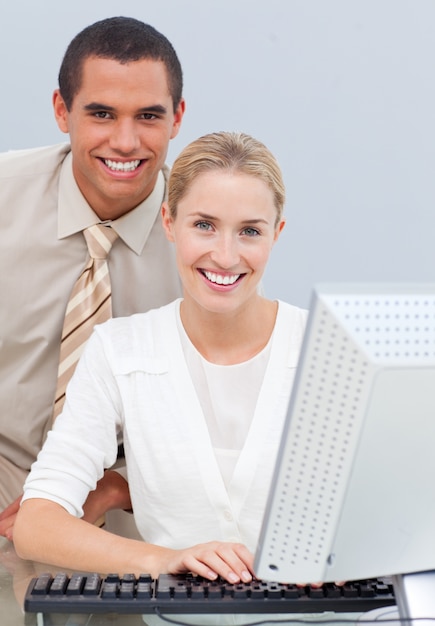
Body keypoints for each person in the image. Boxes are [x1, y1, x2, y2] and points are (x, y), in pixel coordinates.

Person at [14, 131, 308, 584]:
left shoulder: (321, 348)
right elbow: (36, 525)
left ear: (277, 234)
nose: (225, 256)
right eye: (204, 225)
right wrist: (160, 559)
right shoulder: (119, 350)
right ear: (170, 223)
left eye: (250, 231)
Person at [0, 16, 185, 540]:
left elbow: (231, 421)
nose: (125, 142)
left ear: (177, 119)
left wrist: (119, 487)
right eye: (101, 114)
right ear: (62, 111)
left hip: (132, 511)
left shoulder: (209, 237)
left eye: (148, 115)